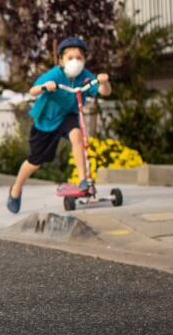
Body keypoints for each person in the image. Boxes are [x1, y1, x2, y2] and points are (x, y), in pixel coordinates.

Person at [6, 36, 111, 214]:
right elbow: (32, 90)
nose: (75, 61)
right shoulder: (55, 74)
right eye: (70, 58)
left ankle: (82, 180)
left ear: (84, 60)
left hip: (68, 115)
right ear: (61, 60)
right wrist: (46, 86)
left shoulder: (85, 76)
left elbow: (103, 92)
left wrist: (104, 81)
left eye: (79, 58)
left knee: (77, 135)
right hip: (46, 120)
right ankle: (16, 189)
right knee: (35, 162)